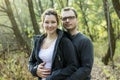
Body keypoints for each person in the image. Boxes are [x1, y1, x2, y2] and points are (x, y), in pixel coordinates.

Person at [28, 8, 78, 80]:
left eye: (53, 22)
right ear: (43, 23)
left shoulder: (64, 41)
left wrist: (52, 77)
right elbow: (31, 62)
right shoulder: (38, 41)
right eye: (47, 22)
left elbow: (72, 67)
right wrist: (35, 70)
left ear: (57, 23)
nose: (50, 25)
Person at [61, 7, 94, 80]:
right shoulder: (60, 39)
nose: (67, 20)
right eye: (64, 18)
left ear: (77, 19)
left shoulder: (85, 41)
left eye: (71, 17)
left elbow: (86, 69)